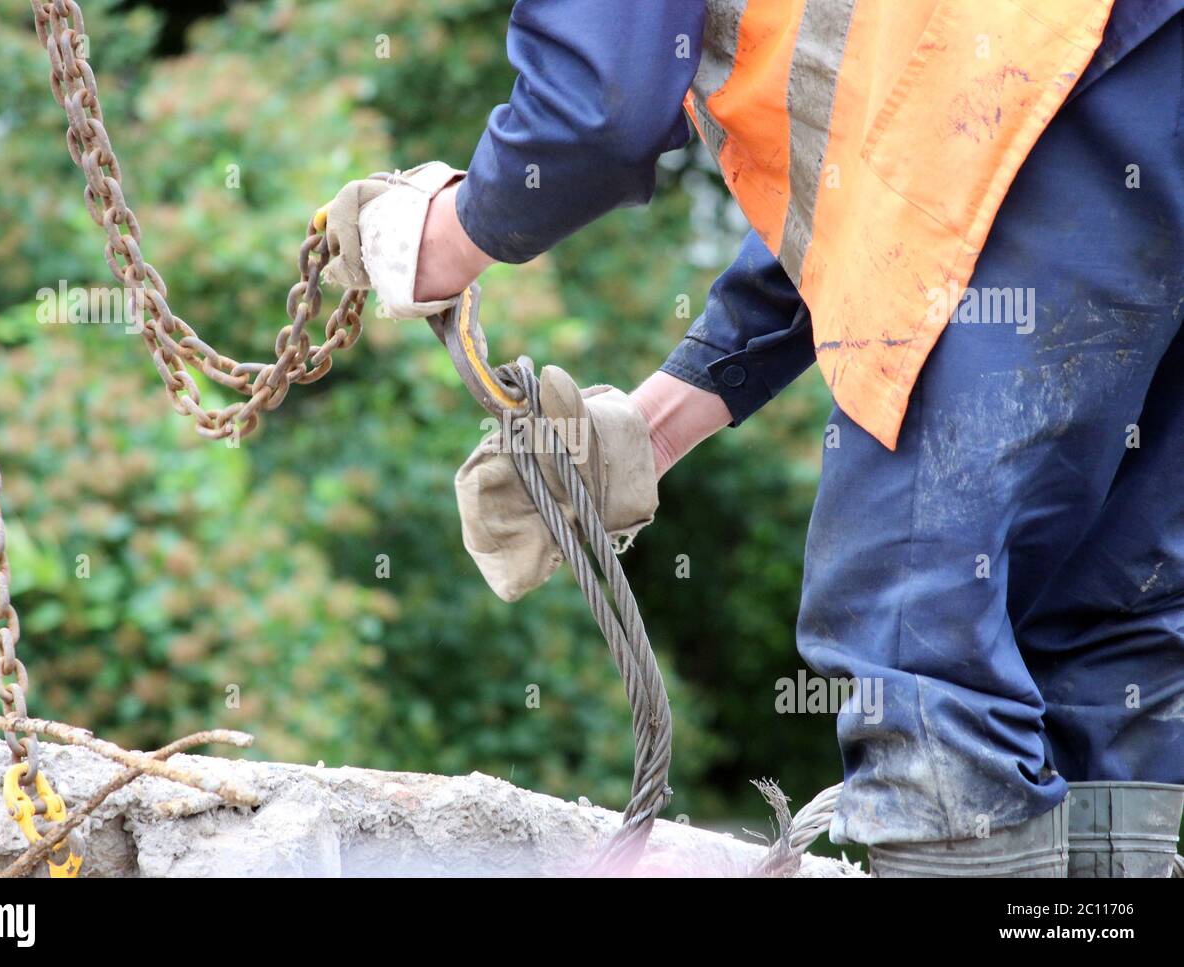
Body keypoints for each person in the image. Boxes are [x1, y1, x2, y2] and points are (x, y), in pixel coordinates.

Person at [324, 0, 1184, 876]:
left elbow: (600, 108)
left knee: (916, 639)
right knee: (1107, 618)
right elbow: (870, 199)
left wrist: (447, 234)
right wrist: (652, 429)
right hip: (1104, 85)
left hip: (1027, 96)